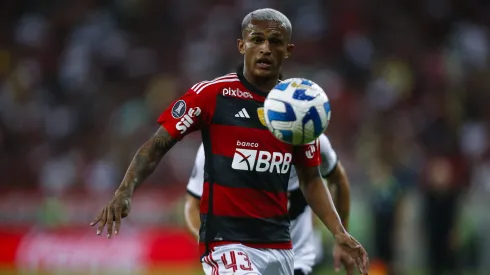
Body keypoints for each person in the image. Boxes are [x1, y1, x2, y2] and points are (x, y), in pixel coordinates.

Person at [90, 8, 369, 275]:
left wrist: (338, 232)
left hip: (280, 246)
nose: (265, 49)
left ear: (288, 50)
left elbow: (310, 179)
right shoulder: (212, 95)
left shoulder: (300, 110)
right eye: (257, 40)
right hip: (226, 243)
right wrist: (125, 191)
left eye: (275, 42)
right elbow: (157, 145)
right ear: (241, 46)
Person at [185, 134, 357, 275]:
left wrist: (342, 236)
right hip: (241, 258)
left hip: (295, 260)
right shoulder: (218, 143)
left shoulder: (310, 140)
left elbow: (337, 178)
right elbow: (193, 204)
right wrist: (210, 241)